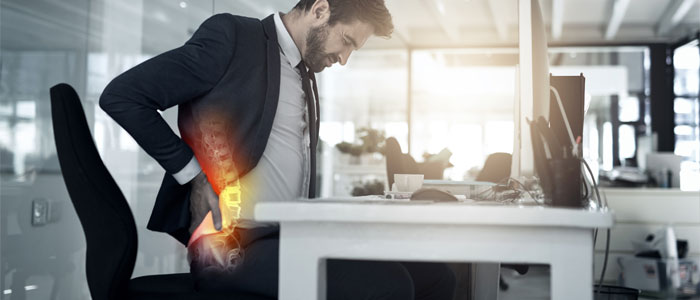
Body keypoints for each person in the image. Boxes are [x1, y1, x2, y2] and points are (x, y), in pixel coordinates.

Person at [100, 0, 456, 299]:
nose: (344, 59)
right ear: (319, 10)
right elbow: (123, 96)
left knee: (435, 275)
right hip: (233, 248)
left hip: (289, 236)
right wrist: (194, 178)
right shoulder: (234, 37)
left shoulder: (305, 74)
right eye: (346, 41)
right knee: (387, 286)